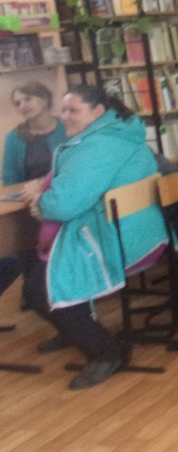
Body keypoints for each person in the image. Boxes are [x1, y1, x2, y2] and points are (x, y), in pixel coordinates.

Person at [19, 85, 167, 390]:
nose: (64, 116)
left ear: (98, 112)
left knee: (37, 287)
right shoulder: (119, 134)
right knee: (38, 271)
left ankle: (107, 352)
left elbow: (64, 204)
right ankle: (73, 329)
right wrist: (46, 186)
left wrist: (40, 199)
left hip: (113, 240)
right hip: (138, 233)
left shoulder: (96, 147)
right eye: (64, 110)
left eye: (73, 110)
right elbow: (72, 182)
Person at [1, 81, 67, 305]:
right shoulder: (14, 137)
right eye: (17, 103)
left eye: (27, 99)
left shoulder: (65, 128)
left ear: (45, 99)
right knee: (21, 233)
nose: (23, 106)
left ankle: (59, 287)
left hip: (61, 195)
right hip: (28, 199)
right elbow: (10, 177)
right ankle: (33, 289)